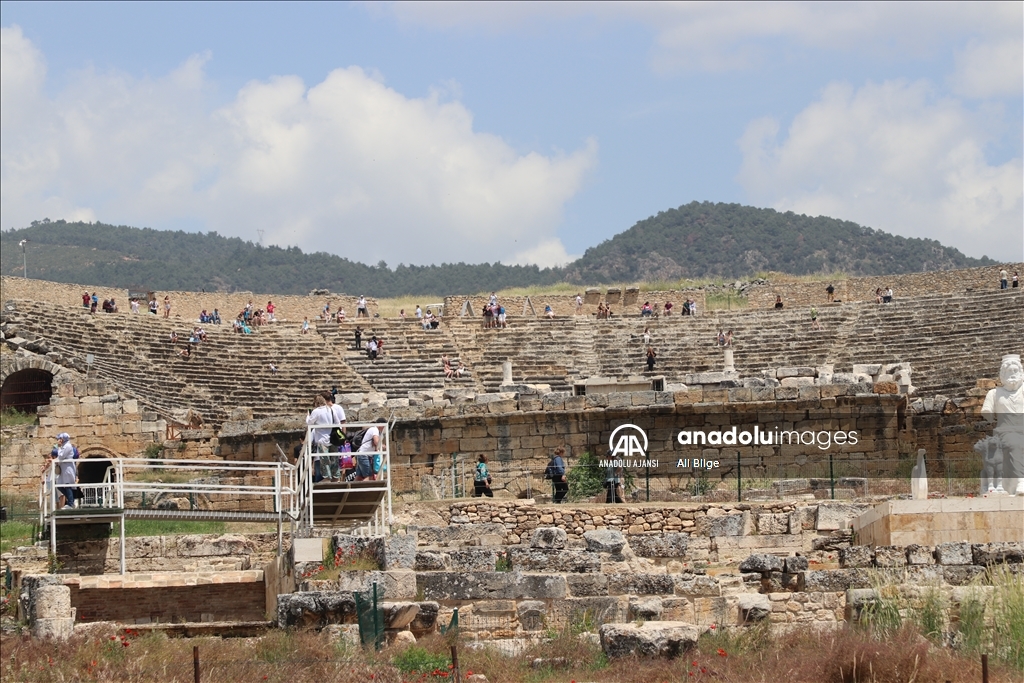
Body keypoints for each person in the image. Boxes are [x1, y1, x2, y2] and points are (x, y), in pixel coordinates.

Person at [306, 394, 333, 482]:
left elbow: (309, 423)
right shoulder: (330, 409)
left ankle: (327, 478)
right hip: (331, 439)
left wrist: (308, 416)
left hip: (322, 440)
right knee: (330, 461)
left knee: (324, 464)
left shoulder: (316, 411)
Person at [323, 392, 347, 481]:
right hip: (327, 436)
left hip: (335, 436)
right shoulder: (323, 409)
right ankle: (330, 477)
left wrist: (344, 437)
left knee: (335, 458)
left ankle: (336, 478)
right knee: (328, 458)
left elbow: (343, 422)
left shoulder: (337, 408)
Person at [53, 433, 78, 508]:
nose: (59, 440)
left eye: (60, 438)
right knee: (59, 485)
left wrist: (59, 447)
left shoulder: (67, 446)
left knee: (67, 485)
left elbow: (61, 456)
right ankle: (72, 499)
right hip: (64, 468)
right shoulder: (64, 446)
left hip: (67, 468)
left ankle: (70, 503)